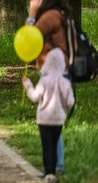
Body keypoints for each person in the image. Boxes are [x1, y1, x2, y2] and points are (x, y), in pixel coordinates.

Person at [26, 0, 72, 174]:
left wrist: (31, 14)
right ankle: (56, 166)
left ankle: (55, 167)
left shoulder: (50, 17)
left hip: (54, 74)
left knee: (52, 123)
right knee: (56, 122)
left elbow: (29, 38)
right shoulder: (59, 13)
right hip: (59, 72)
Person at [22, 48, 75, 183]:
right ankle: (55, 170)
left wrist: (27, 85)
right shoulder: (66, 83)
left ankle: (48, 173)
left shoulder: (44, 81)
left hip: (44, 120)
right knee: (54, 143)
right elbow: (70, 102)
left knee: (47, 147)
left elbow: (35, 97)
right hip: (58, 120)